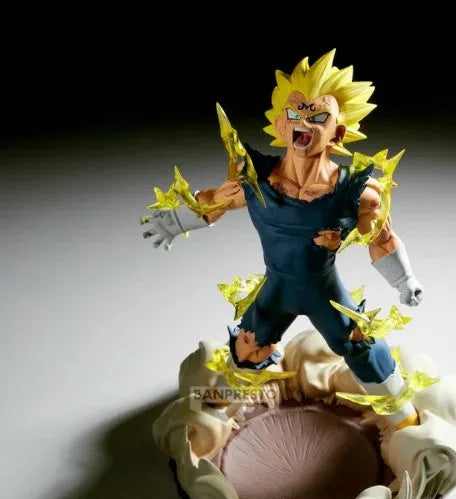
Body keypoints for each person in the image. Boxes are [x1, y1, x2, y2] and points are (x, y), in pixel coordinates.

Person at [142, 50, 424, 429]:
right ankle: (212, 419)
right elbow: (215, 202)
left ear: (338, 133)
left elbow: (382, 237)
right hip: (276, 290)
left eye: (318, 116)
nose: (302, 122)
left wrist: (405, 280)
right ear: (279, 124)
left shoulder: (359, 191)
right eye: (294, 113)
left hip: (326, 293)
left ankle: (407, 425)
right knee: (247, 348)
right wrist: (177, 220)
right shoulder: (254, 180)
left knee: (362, 345)